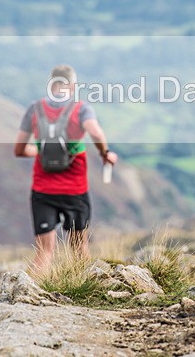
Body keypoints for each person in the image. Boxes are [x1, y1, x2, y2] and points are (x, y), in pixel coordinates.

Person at [13, 65, 118, 272]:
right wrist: (105, 153)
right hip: (75, 191)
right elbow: (95, 132)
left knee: (44, 253)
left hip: (43, 191)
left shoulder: (35, 109)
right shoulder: (81, 109)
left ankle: (27, 296)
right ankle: (85, 295)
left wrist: (42, 151)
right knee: (79, 249)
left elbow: (19, 150)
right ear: (73, 86)